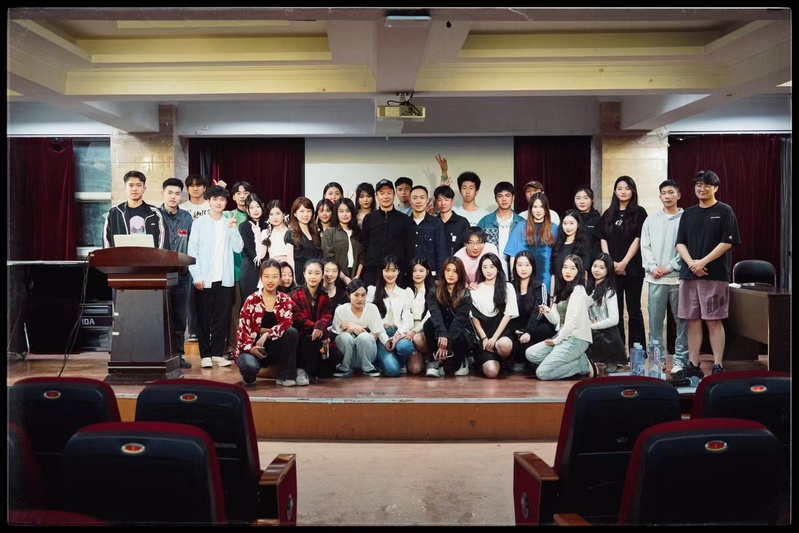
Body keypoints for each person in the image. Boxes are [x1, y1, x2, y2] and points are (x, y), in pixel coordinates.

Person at [675, 169, 741, 377]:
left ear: (715, 188)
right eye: (698, 185)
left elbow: (727, 242)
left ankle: (718, 365)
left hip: (714, 275)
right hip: (689, 275)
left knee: (714, 320)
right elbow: (680, 243)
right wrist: (692, 264)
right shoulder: (688, 214)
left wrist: (702, 262)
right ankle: (693, 365)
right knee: (692, 320)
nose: (701, 189)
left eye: (706, 185)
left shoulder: (725, 211)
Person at [187, 185, 243, 369]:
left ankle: (218, 354)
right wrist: (197, 275)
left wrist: (233, 229)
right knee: (204, 318)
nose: (219, 203)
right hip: (204, 278)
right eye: (215, 199)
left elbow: (238, 248)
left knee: (222, 317)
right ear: (209, 201)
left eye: (222, 200)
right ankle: (205, 355)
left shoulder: (229, 222)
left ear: (226, 202)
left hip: (225, 278)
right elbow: (192, 250)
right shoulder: (199, 223)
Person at [640, 179, 689, 379]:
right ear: (659, 196)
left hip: (678, 279)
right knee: (655, 324)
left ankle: (680, 361)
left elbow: (687, 246)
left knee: (682, 323)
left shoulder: (686, 218)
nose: (667, 196)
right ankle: (656, 361)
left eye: (671, 192)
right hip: (655, 279)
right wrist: (653, 267)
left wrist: (670, 266)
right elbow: (645, 246)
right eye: (664, 193)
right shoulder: (651, 220)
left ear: (679, 195)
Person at [525, 254, 598, 381]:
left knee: (542, 373)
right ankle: (576, 359)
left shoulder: (578, 292)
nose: (568, 271)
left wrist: (556, 340)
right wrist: (547, 311)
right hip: (562, 337)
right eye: (565, 267)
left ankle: (582, 365)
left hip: (576, 340)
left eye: (572, 268)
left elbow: (573, 322)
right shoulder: (562, 290)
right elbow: (556, 320)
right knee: (531, 354)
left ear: (579, 272)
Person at [234, 258, 301, 386]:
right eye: (266, 276)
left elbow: (287, 322)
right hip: (252, 347)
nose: (270, 280)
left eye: (274, 276)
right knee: (249, 368)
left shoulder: (285, 299)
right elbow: (242, 330)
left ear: (279, 278)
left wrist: (267, 334)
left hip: (274, 346)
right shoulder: (251, 300)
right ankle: (250, 373)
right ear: (261, 277)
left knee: (292, 332)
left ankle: (286, 376)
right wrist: (251, 348)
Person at [599, 175, 648, 349]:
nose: (623, 191)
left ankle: (638, 352)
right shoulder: (608, 213)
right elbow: (603, 238)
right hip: (612, 270)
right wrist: (610, 263)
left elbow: (638, 239)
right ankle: (618, 352)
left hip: (633, 269)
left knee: (634, 310)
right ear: (614, 191)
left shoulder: (640, 212)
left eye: (627, 188)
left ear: (633, 191)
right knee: (615, 311)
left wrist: (624, 262)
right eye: (620, 188)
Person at [158, 177, 193, 369]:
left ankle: (178, 355)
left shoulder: (187, 218)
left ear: (182, 196)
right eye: (169, 193)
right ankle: (160, 354)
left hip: (181, 275)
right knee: (159, 316)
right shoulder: (154, 215)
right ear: (163, 193)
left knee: (179, 317)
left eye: (177, 193)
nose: (173, 197)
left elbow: (193, 244)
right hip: (158, 275)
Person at [423, 256, 475, 378]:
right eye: (448, 270)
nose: (450, 274)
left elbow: (459, 322)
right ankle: (434, 361)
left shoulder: (465, 295)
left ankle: (462, 360)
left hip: (458, 330)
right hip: (442, 328)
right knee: (429, 324)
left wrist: (447, 344)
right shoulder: (434, 291)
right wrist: (442, 334)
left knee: (460, 336)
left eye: (455, 271)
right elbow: (435, 315)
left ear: (460, 274)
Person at [469, 252, 519, 378]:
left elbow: (508, 315)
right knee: (491, 372)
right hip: (484, 336)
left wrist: (494, 338)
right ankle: (484, 362)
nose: (488, 270)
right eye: (485, 267)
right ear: (481, 270)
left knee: (504, 345)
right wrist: (484, 339)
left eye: (492, 266)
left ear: (498, 268)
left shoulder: (507, 287)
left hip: (501, 334)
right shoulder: (475, 290)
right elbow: (474, 318)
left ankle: (505, 362)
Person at [360, 179, 415, 288]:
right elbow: (365, 244)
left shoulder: (405, 220)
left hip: (396, 272)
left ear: (394, 195)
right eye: (382, 193)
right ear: (376, 196)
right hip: (373, 272)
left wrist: (406, 272)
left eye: (389, 193)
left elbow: (409, 248)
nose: (385, 196)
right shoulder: (369, 218)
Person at [508, 250, 556, 374]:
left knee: (545, 329)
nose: (523, 269)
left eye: (527, 265)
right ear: (515, 267)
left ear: (533, 266)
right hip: (516, 328)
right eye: (519, 265)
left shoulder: (540, 286)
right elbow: (507, 312)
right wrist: (516, 330)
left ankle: (529, 358)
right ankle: (522, 359)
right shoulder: (509, 286)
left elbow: (538, 311)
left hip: (534, 328)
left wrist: (528, 331)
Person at [366, 255, 415, 377]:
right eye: (386, 270)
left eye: (393, 270)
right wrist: (383, 337)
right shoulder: (372, 291)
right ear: (381, 271)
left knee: (406, 347)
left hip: (398, 332)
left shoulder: (405, 293)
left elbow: (408, 319)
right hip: (381, 334)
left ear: (398, 271)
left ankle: (399, 362)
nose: (390, 274)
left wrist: (397, 336)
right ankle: (384, 361)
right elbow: (369, 318)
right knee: (393, 371)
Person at [179, 173, 213, 341]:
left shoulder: (211, 205)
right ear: (187, 189)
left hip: (209, 256)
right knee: (191, 296)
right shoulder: (183, 208)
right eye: (191, 186)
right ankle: (193, 330)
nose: (195, 188)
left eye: (198, 185)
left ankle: (210, 330)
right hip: (189, 256)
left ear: (204, 188)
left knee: (209, 295)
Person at [290, 258, 334, 384]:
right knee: (309, 340)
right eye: (309, 273)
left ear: (322, 275)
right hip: (300, 335)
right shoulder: (295, 294)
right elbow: (297, 317)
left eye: (317, 273)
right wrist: (317, 328)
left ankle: (312, 372)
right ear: (304, 274)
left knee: (335, 355)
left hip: (318, 334)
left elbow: (326, 316)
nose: (313, 277)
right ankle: (301, 371)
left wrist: (320, 328)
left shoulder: (325, 296)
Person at [331, 279, 386, 377]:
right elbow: (339, 337)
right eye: (356, 295)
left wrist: (353, 326)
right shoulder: (341, 310)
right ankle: (344, 368)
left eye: (363, 295)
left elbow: (374, 335)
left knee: (364, 337)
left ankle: (368, 368)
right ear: (349, 295)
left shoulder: (372, 308)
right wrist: (352, 329)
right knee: (344, 337)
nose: (360, 299)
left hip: (367, 354)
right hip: (347, 356)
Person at [505, 192, 558, 291]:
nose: (538, 210)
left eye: (541, 207)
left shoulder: (554, 228)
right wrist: (513, 277)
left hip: (545, 278)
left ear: (546, 209)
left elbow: (557, 257)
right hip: (522, 278)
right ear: (530, 208)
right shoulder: (520, 227)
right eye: (535, 207)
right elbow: (512, 255)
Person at [225, 181, 255, 357]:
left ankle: (252, 345)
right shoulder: (228, 215)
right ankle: (233, 346)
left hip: (255, 272)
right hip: (235, 270)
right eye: (238, 193)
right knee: (235, 311)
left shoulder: (258, 215)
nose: (242, 196)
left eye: (246, 192)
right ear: (234, 197)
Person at [103, 170, 166, 249]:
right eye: (131, 185)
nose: (134, 189)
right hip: (121, 256)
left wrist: (158, 256)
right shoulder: (114, 213)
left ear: (144, 189)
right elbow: (106, 242)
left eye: (138, 185)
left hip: (149, 256)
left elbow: (162, 240)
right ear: (125, 189)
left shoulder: (154, 213)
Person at [585, 253, 627, 373]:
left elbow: (614, 320)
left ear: (608, 270)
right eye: (595, 266)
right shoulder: (588, 288)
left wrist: (592, 326)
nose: (597, 270)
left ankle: (612, 360)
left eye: (601, 267)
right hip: (591, 331)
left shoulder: (609, 291)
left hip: (607, 335)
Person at [477, 181, 524, 274]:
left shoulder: (521, 223)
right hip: (491, 271)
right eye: (500, 196)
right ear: (495, 199)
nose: (504, 199)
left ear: (513, 197)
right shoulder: (485, 222)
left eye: (507, 195)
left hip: (516, 271)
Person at [409, 185, 449, 279]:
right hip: (409, 276)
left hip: (431, 277)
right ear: (410, 200)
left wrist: (439, 278)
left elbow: (441, 253)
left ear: (427, 200)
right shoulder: (405, 223)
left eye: (422, 197)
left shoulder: (436, 224)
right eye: (415, 198)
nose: (418, 201)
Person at [321, 197, 363, 285]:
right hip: (336, 277)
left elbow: (362, 256)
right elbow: (328, 258)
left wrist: (357, 276)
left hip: (356, 277)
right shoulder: (330, 232)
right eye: (341, 211)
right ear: (336, 213)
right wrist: (344, 278)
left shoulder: (358, 232)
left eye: (348, 211)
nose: (345, 214)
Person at [549, 209, 592, 295]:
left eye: (571, 223)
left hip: (575, 293)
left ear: (578, 224)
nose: (568, 227)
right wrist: (551, 297)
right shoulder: (557, 245)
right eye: (565, 223)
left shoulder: (583, 246)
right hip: (558, 293)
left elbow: (585, 274)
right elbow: (554, 274)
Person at [405, 257, 434, 375]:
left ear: (427, 272)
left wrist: (415, 331)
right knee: (415, 369)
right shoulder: (406, 290)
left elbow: (429, 315)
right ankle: (419, 356)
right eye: (414, 270)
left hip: (424, 329)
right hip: (409, 329)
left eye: (421, 270)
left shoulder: (432, 291)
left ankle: (432, 357)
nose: (418, 274)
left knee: (417, 338)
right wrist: (409, 330)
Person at [284, 196, 322, 286]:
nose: (305, 214)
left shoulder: (315, 233)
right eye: (302, 211)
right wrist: (293, 280)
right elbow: (290, 260)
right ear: (295, 213)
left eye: (309, 211)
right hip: (299, 274)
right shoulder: (291, 233)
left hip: (314, 274)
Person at [239, 192, 269, 302]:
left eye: (257, 206)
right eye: (251, 207)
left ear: (262, 206)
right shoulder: (243, 226)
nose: (255, 210)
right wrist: (258, 260)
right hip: (250, 267)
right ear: (247, 209)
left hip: (267, 266)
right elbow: (247, 247)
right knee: (249, 301)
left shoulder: (268, 224)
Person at [434, 184, 471, 257]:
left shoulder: (462, 222)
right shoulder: (433, 223)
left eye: (446, 200)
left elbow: (468, 246)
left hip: (457, 262)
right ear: (436, 202)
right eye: (439, 200)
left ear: (452, 201)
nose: (443, 203)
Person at [573, 186, 602, 260]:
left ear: (593, 199)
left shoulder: (598, 218)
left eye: (586, 198)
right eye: (578, 198)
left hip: (593, 260)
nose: (582, 201)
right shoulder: (570, 217)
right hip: (573, 259)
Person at [263, 199, 290, 263]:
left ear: (284, 214)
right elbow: (262, 254)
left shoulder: (291, 231)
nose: (275, 217)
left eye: (278, 213)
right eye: (271, 214)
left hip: (288, 265)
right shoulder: (265, 233)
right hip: (273, 266)